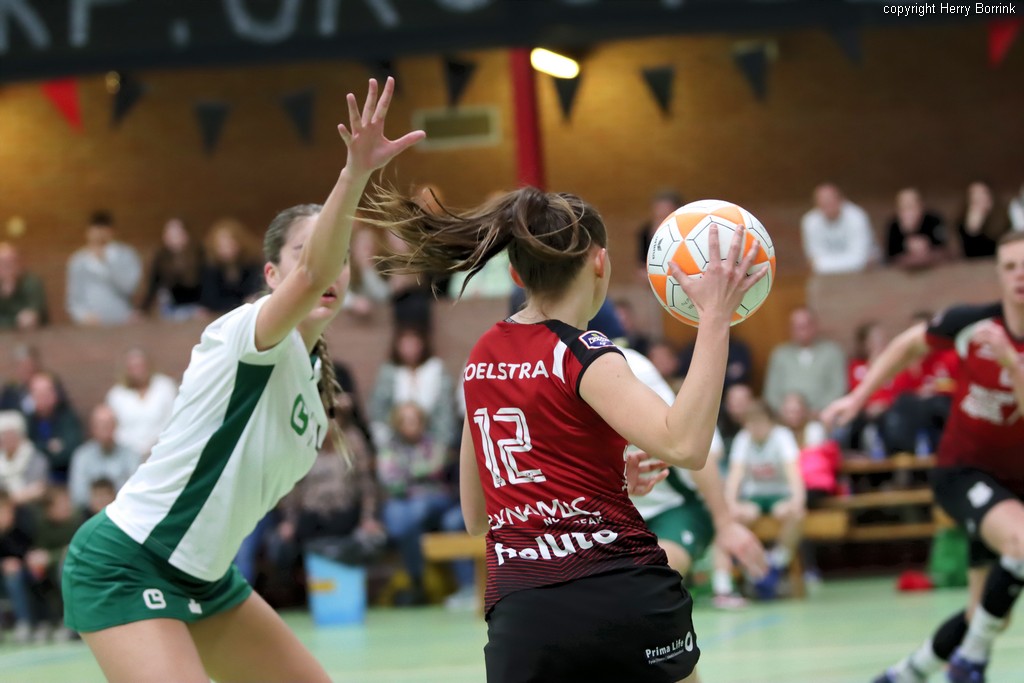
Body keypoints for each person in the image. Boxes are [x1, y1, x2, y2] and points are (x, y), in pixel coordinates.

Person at [59, 77, 424, 683]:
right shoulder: (244, 335)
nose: (330, 267)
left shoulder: (315, 380)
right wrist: (354, 173)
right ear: (273, 275)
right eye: (309, 251)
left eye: (338, 255)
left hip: (207, 577)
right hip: (128, 562)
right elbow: (313, 275)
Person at [371, 182, 767, 682]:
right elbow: (686, 445)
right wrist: (715, 318)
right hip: (620, 591)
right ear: (600, 262)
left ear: (515, 273)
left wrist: (604, 477)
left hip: (523, 614)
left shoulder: (480, 359)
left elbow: (477, 517)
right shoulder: (586, 353)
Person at [823, 232, 1024, 683]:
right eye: (1011, 266)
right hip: (964, 471)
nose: (1020, 276)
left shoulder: (1006, 349)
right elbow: (908, 345)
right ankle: (969, 663)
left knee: (986, 613)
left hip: (1016, 486)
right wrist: (858, 398)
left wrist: (1012, 364)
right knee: (1022, 546)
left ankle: (906, 674)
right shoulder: (971, 323)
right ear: (998, 273)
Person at [723, 400, 806, 600]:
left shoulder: (782, 437)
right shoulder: (743, 439)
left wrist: (798, 500)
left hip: (780, 495)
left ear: (770, 422)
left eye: (759, 422)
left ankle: (777, 562)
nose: (755, 427)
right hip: (754, 497)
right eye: (751, 423)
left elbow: (793, 472)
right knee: (737, 517)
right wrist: (729, 504)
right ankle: (750, 568)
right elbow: (735, 475)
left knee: (796, 514)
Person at [368, 325, 456, 452]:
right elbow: (377, 408)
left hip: (432, 438)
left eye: (414, 344)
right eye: (405, 345)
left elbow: (445, 410)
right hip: (396, 439)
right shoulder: (388, 372)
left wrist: (442, 443)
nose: (410, 350)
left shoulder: (436, 369)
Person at [762, 307, 847, 415]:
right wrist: (786, 411)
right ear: (790, 329)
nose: (802, 331)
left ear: (815, 326)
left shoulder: (832, 352)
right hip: (785, 416)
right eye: (797, 327)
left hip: (824, 415)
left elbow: (838, 388)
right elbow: (771, 392)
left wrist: (817, 411)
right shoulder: (780, 354)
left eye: (805, 325)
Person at [66, 210, 142, 326]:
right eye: (96, 231)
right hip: (92, 324)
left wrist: (107, 262)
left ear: (111, 232)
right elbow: (74, 299)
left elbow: (130, 287)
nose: (99, 236)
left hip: (122, 322)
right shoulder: (78, 261)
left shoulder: (125, 255)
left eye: (103, 231)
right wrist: (83, 316)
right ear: (88, 233)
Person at [104, 348, 178, 459]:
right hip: (127, 456)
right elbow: (113, 429)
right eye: (133, 367)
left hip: (163, 451)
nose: (138, 371)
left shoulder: (165, 387)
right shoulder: (116, 395)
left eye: (140, 366)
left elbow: (174, 419)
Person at [67, 404, 140, 511]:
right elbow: (78, 494)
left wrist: (110, 501)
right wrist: (99, 501)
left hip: (123, 510)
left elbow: (135, 489)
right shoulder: (82, 456)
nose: (105, 429)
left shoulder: (131, 454)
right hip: (89, 512)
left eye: (108, 424)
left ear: (116, 426)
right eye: (100, 425)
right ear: (93, 428)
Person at [800, 183, 877, 275]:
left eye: (830, 201)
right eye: (823, 203)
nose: (828, 206)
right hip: (825, 276)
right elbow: (814, 260)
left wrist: (824, 265)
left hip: (862, 274)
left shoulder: (857, 217)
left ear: (841, 200)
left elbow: (860, 258)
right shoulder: (810, 221)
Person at [139, 217, 205, 320]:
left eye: (176, 234)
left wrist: (206, 307)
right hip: (173, 310)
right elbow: (152, 287)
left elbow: (206, 287)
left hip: (197, 307)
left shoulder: (199, 256)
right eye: (169, 234)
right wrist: (141, 311)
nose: (172, 238)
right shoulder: (160, 258)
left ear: (186, 235)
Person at [198, 218, 264, 314]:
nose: (227, 249)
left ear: (240, 243)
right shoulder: (210, 269)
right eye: (221, 246)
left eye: (230, 244)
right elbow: (210, 301)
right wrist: (241, 303)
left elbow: (255, 295)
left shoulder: (252, 265)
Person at [885, 188, 950, 271]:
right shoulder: (893, 226)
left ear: (921, 205)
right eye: (903, 207)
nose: (908, 212)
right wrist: (907, 233)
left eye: (912, 206)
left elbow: (944, 251)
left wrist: (926, 253)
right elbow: (890, 258)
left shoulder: (934, 220)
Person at [0, 241, 48, 330]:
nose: (7, 267)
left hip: (34, 333)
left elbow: (32, 313)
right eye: (3, 263)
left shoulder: (31, 282)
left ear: (19, 263)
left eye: (11, 262)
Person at [956, 181, 1005, 260]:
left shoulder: (1003, 217)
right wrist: (973, 225)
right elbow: (969, 252)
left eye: (983, 193)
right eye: (974, 194)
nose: (979, 198)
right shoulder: (960, 222)